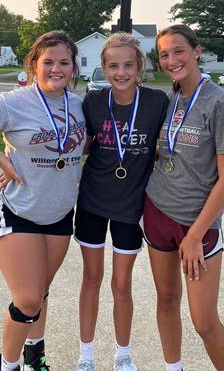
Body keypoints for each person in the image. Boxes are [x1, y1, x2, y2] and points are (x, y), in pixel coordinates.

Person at [0, 31, 86, 371]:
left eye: (64, 62)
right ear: (34, 65)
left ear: (73, 67)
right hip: (15, 208)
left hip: (58, 212)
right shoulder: (13, 101)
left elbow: (90, 145)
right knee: (27, 299)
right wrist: (3, 161)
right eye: (48, 62)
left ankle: (34, 359)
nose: (56, 68)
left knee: (40, 293)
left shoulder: (80, 105)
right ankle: (7, 366)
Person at [143, 25, 224, 371]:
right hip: (157, 212)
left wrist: (196, 234)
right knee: (167, 299)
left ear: (197, 51)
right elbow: (165, 151)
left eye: (179, 51)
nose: (172, 60)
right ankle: (174, 367)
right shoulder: (166, 98)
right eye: (165, 54)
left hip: (198, 225)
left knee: (204, 320)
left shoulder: (220, 103)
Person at [75, 33, 168, 371]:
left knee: (122, 284)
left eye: (129, 65)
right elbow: (80, 145)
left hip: (131, 207)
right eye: (113, 66)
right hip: (92, 202)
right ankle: (86, 356)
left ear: (140, 67)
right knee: (91, 278)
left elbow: (168, 144)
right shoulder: (93, 102)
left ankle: (122, 355)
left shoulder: (157, 102)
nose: (121, 72)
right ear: (104, 68)